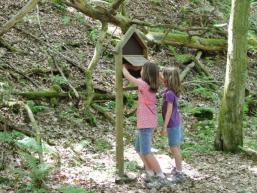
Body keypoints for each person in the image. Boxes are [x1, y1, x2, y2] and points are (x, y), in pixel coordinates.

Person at [122, 62, 166, 184]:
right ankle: (149, 170)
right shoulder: (153, 84)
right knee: (138, 148)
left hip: (145, 123)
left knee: (146, 151)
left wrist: (124, 68)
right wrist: (139, 67)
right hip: (146, 122)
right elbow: (159, 75)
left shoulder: (143, 84)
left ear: (145, 73)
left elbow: (128, 76)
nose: (139, 71)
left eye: (141, 70)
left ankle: (160, 175)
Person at [160, 66, 185, 183]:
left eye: (164, 76)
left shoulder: (169, 93)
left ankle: (179, 172)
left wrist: (164, 126)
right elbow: (162, 77)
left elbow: (169, 111)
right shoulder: (172, 90)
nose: (162, 78)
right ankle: (178, 167)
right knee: (177, 147)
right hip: (176, 122)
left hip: (172, 124)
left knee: (174, 147)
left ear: (168, 79)